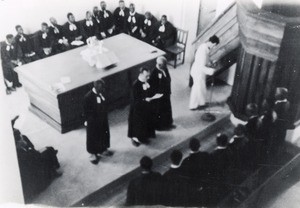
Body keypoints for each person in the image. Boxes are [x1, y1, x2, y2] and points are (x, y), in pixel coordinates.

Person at [14, 128, 61, 202]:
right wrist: (30, 149)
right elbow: (35, 157)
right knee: (49, 150)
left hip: (29, 164)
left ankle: (51, 155)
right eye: (20, 137)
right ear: (17, 142)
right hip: (33, 169)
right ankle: (54, 171)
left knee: (26, 138)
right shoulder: (21, 153)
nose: (21, 136)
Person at [128, 67, 162, 146]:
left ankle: (145, 136)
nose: (148, 78)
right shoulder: (135, 86)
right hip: (138, 110)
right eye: (146, 76)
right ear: (141, 74)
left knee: (147, 122)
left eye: (148, 76)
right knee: (139, 125)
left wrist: (154, 95)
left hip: (146, 107)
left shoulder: (147, 82)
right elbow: (135, 100)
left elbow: (150, 92)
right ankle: (137, 138)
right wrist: (144, 100)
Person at [83, 79, 113, 165]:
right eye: (101, 88)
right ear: (96, 87)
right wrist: (88, 121)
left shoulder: (101, 93)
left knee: (104, 134)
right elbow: (86, 111)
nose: (103, 89)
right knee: (93, 137)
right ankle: (93, 153)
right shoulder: (88, 97)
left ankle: (103, 149)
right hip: (93, 122)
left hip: (102, 119)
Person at [189, 35, 219, 110]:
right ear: (213, 43)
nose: (214, 47)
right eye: (214, 46)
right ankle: (193, 105)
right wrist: (211, 71)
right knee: (197, 89)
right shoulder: (203, 50)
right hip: (197, 72)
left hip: (199, 72)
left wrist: (211, 63)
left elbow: (206, 59)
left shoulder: (205, 47)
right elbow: (201, 66)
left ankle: (201, 103)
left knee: (201, 88)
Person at [149, 56, 174, 130]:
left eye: (162, 64)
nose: (159, 66)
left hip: (166, 93)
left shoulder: (165, 69)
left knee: (167, 109)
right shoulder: (154, 72)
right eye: (159, 64)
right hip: (159, 96)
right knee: (159, 111)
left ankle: (168, 123)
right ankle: (160, 126)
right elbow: (152, 85)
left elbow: (168, 79)